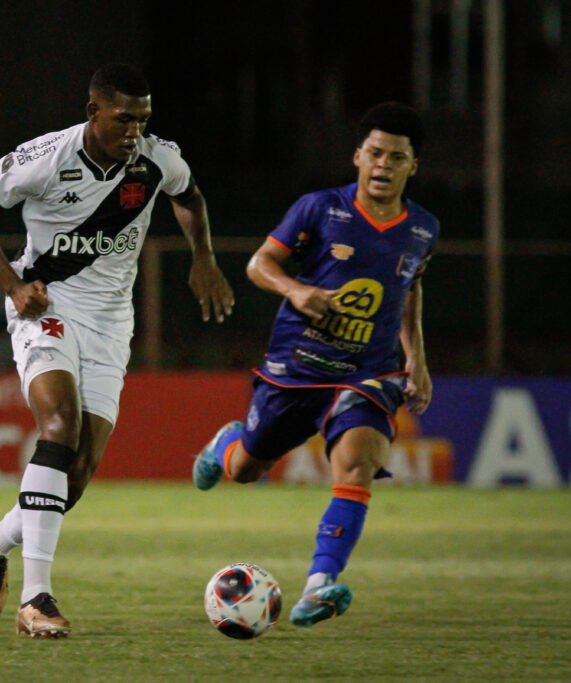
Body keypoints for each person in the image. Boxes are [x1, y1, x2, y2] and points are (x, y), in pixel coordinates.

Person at [0, 62, 234, 638]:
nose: (135, 131)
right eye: (124, 119)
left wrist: (203, 258)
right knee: (59, 425)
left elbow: (190, 198)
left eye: (143, 119)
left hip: (110, 324)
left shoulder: (158, 159)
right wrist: (13, 285)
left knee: (75, 476)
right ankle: (36, 599)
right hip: (45, 308)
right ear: (93, 112)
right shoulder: (46, 158)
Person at [192, 102, 438, 628]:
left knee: (357, 462)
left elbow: (409, 289)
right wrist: (295, 290)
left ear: (412, 166)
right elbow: (259, 264)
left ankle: (319, 584)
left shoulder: (423, 229)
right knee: (246, 469)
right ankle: (226, 444)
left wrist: (416, 359)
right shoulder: (320, 209)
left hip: (369, 371)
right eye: (375, 153)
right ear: (358, 156)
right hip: (298, 366)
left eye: (397, 157)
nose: (384, 164)